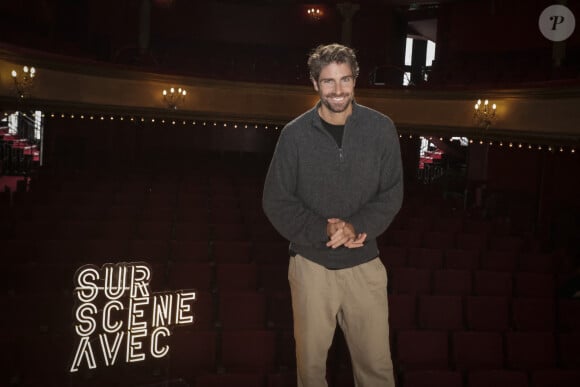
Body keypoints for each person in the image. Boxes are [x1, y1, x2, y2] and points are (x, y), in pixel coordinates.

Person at [262, 43, 403, 387]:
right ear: (315, 84)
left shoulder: (381, 129)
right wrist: (323, 229)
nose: (338, 91)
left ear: (355, 81)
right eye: (328, 81)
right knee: (310, 372)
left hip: (365, 265)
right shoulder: (293, 135)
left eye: (345, 80)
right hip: (311, 267)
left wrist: (357, 226)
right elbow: (276, 201)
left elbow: (392, 194)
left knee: (377, 370)